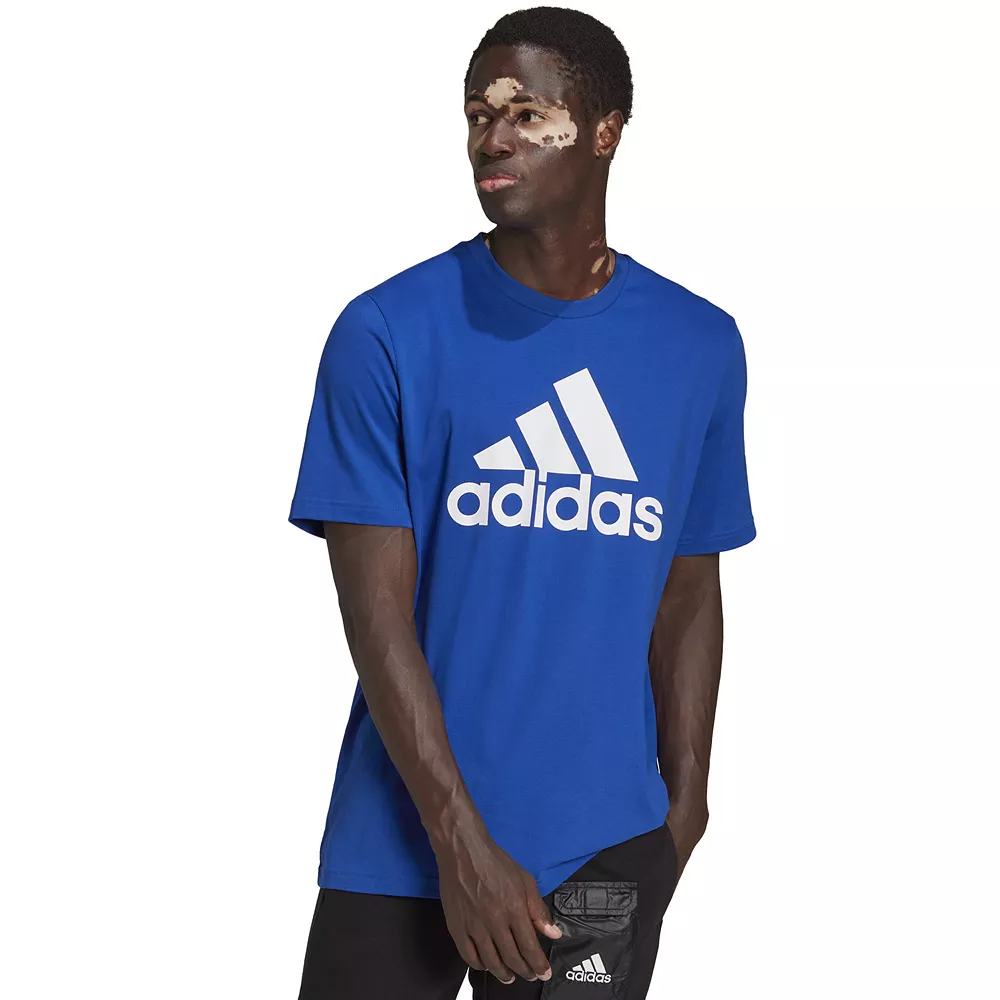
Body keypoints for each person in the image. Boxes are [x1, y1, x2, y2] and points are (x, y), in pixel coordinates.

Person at [288, 7, 755, 998]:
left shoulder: (698, 347)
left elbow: (687, 587)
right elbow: (376, 616)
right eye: (477, 115)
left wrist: (683, 809)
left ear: (605, 130)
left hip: (602, 851)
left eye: (525, 113)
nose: (492, 139)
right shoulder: (387, 332)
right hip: (403, 844)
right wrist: (461, 844)